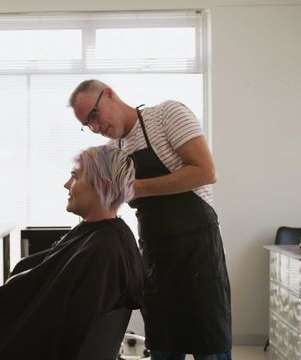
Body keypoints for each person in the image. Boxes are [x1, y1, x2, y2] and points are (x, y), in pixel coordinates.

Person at [0, 145, 143, 359]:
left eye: (75, 176)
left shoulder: (102, 250)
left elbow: (64, 329)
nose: (66, 184)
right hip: (32, 336)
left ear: (100, 185)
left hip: (29, 347)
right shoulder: (109, 238)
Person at [69, 79, 232, 360]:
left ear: (109, 94)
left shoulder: (167, 115)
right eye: (88, 124)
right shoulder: (112, 150)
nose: (95, 127)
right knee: (163, 347)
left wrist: (137, 187)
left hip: (198, 253)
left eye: (94, 115)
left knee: (211, 347)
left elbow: (206, 172)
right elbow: (105, 202)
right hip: (155, 256)